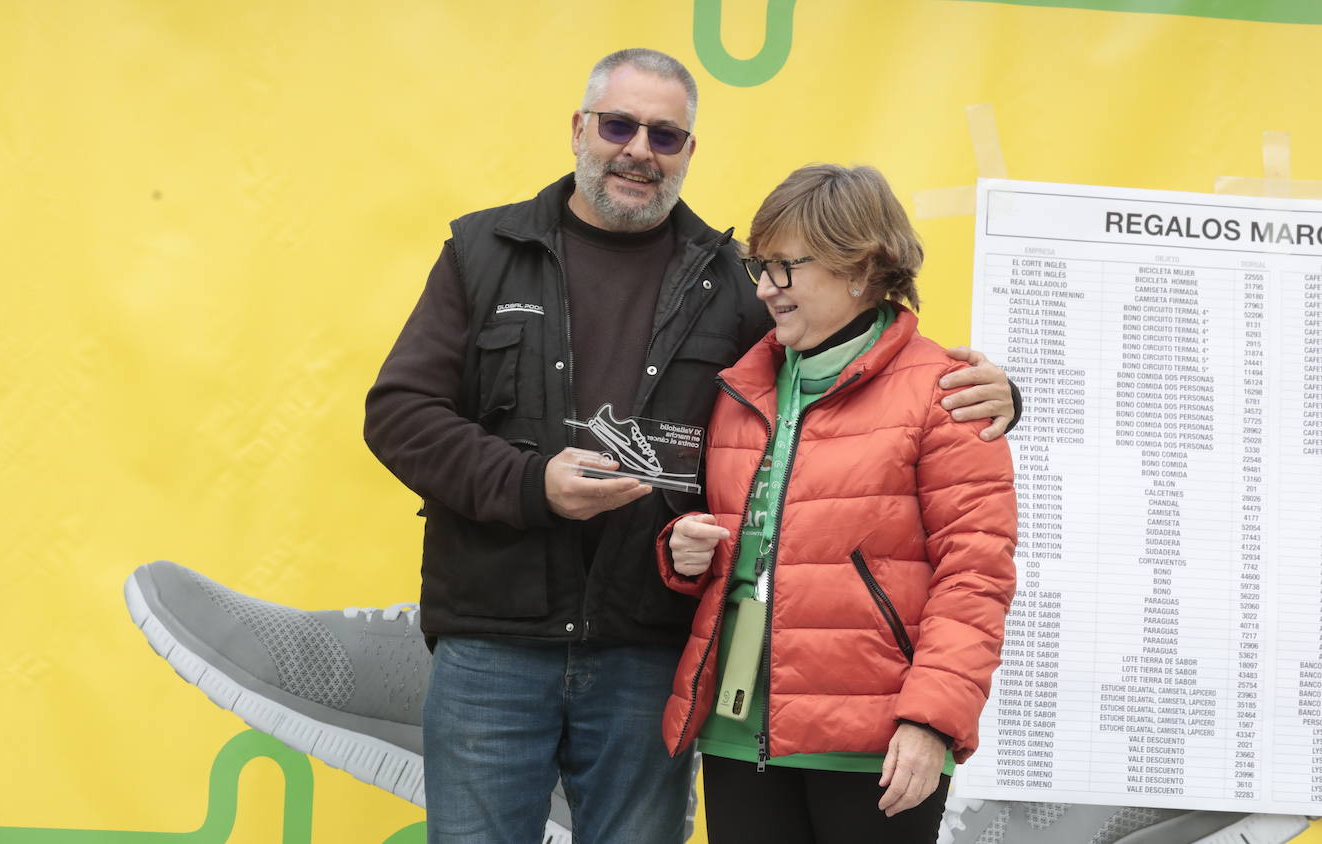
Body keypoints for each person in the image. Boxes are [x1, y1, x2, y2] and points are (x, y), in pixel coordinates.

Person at [123, 49, 1019, 844]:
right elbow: (399, 412)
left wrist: (1004, 396)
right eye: (620, 125)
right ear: (580, 128)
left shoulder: (729, 280)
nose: (639, 149)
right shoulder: (484, 252)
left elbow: (850, 368)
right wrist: (530, 485)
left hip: (649, 654)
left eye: (665, 136)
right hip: (492, 645)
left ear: (689, 153)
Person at [658, 164, 1018, 844]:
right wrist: (683, 550)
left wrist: (929, 720)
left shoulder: (948, 393)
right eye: (758, 266)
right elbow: (748, 541)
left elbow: (976, 576)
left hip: (877, 744)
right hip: (739, 734)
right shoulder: (742, 385)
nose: (763, 288)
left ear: (860, 268)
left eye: (784, 268)